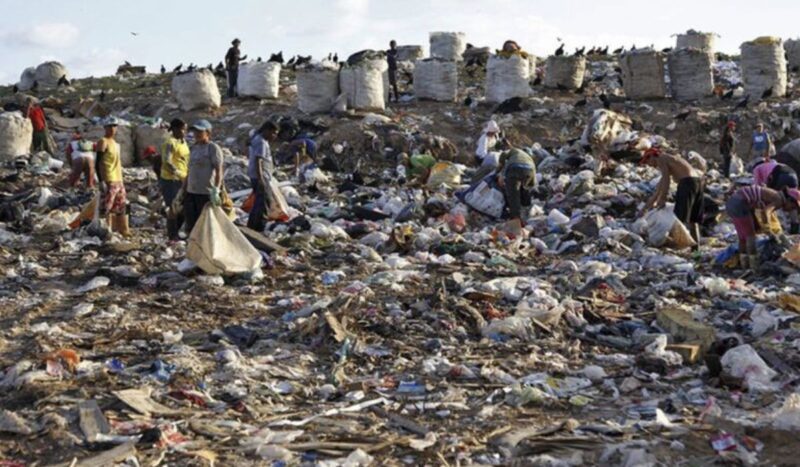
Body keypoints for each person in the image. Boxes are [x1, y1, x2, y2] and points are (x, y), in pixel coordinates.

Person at [640, 147, 705, 247]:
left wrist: (663, 199)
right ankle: (696, 251)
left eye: (648, 161)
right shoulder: (671, 160)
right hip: (698, 183)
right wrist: (645, 209)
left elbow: (666, 180)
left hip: (687, 184)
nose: (650, 165)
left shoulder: (661, 158)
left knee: (679, 218)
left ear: (652, 156)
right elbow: (659, 190)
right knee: (693, 220)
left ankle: (677, 245)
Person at [726, 185, 799, 269]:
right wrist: (768, 228)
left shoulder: (775, 194)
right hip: (740, 203)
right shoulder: (779, 200)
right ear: (789, 200)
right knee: (750, 237)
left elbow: (753, 206)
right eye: (792, 207)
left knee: (742, 238)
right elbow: (766, 211)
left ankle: (745, 265)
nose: (790, 210)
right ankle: (754, 268)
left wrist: (757, 224)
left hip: (733, 202)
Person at [183, 120, 224, 234]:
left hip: (205, 192)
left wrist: (216, 189)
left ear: (208, 133)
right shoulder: (193, 148)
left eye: (200, 131)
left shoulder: (212, 148)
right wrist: (183, 189)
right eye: (195, 131)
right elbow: (189, 170)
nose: (197, 134)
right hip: (192, 191)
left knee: (205, 224)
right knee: (191, 222)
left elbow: (218, 170)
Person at [95, 117, 130, 236]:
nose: (112, 129)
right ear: (105, 128)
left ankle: (123, 230)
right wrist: (101, 181)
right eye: (109, 126)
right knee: (106, 207)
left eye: (114, 126)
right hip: (108, 178)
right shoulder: (103, 142)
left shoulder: (116, 144)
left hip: (118, 179)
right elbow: (97, 162)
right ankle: (106, 230)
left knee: (121, 206)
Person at [160, 118, 190, 240]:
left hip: (183, 179)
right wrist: (178, 174)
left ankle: (176, 232)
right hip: (171, 180)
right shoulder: (170, 143)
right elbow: (167, 162)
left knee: (184, 207)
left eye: (185, 129)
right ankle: (172, 235)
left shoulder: (183, 142)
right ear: (176, 129)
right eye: (183, 129)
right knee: (173, 207)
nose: (185, 132)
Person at [496, 148, 537, 235]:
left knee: (513, 195)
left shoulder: (514, 150)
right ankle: (526, 211)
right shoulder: (529, 159)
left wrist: (500, 166)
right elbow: (532, 182)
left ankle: (516, 219)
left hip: (515, 168)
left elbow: (503, 153)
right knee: (523, 190)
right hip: (529, 170)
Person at [247, 121, 279, 232]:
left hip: (257, 176)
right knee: (265, 202)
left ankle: (251, 226)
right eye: (274, 133)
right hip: (260, 176)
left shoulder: (257, 139)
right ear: (267, 130)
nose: (275, 136)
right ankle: (258, 228)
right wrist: (261, 178)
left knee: (259, 202)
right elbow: (258, 160)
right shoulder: (261, 142)